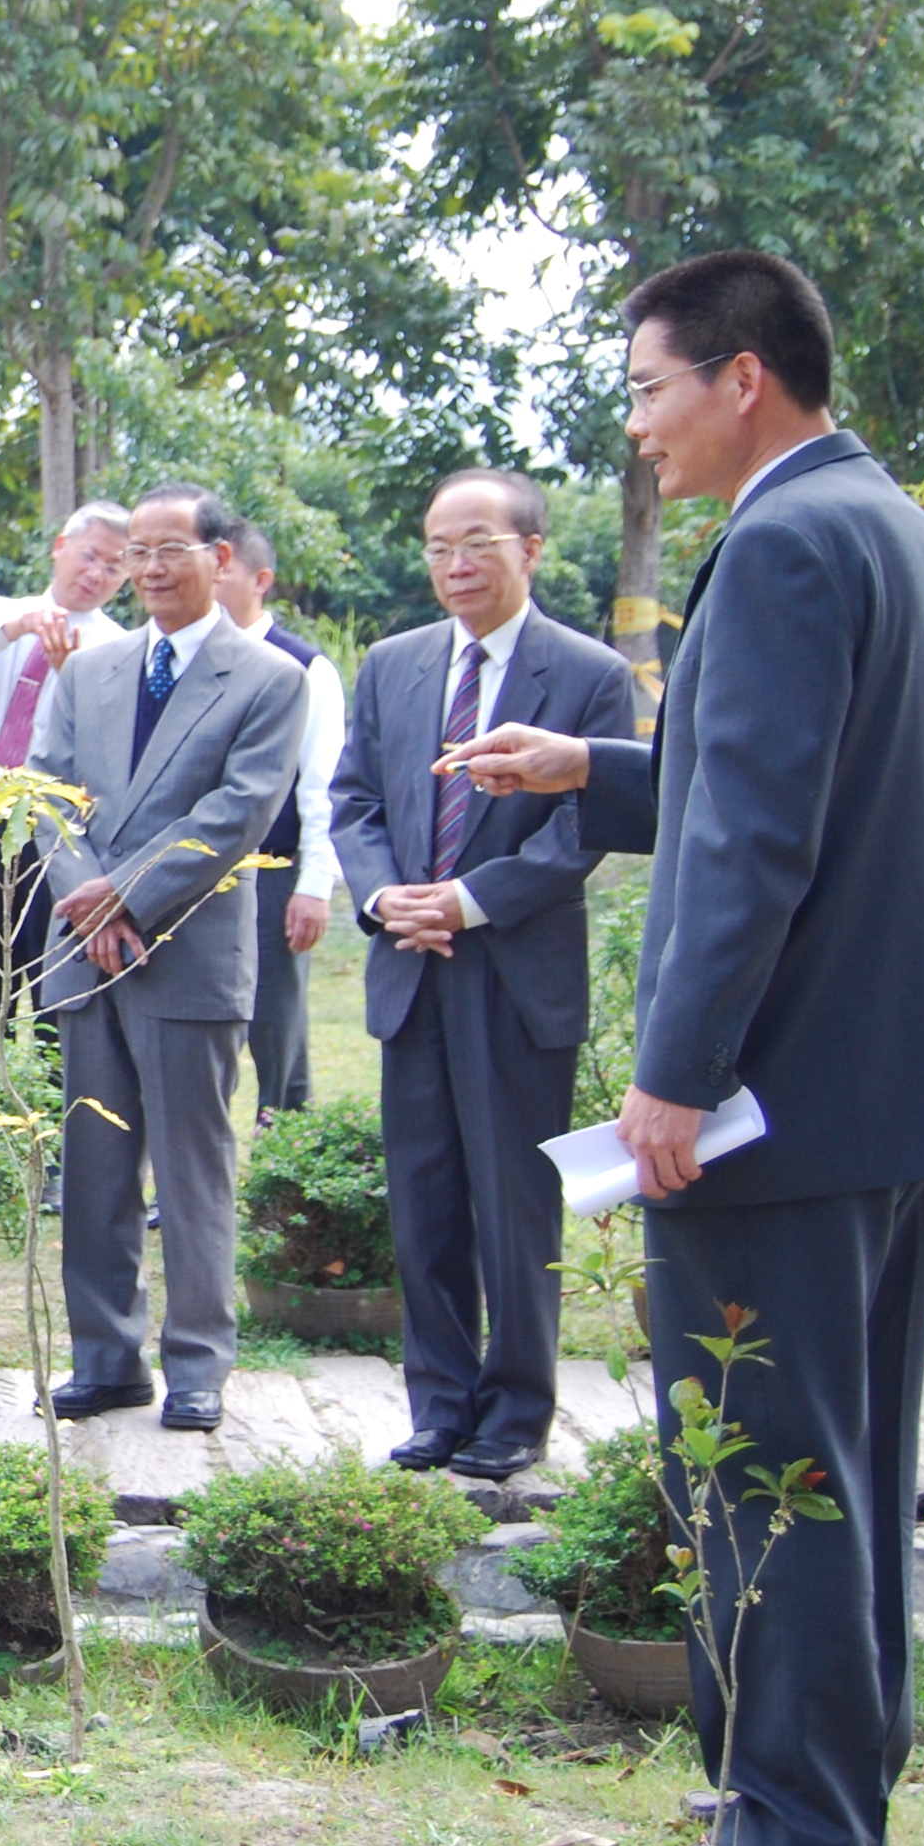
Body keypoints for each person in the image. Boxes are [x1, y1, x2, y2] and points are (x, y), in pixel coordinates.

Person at [447, 249, 924, 1846]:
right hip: (877, 1103)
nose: (636, 428)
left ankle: (793, 1831)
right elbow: (765, 773)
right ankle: (818, 1783)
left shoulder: (784, 541)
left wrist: (670, 1076)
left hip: (774, 1115)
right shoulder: (882, 521)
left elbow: (753, 840)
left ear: (742, 376)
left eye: (648, 390)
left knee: (757, 1463)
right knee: (848, 1457)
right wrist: (589, 766)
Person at [330, 469, 635, 1483]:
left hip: (511, 971)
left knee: (513, 1206)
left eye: (476, 545)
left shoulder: (588, 674)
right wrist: (384, 901)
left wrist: (465, 899)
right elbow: (355, 805)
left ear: (531, 550)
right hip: (408, 965)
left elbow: (580, 827)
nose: (453, 566)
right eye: (435, 547)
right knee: (422, 1204)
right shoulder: (392, 664)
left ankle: (514, 1414)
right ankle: (437, 1404)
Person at [25, 485, 305, 1434]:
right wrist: (87, 895)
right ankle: (106, 1360)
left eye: (170, 549)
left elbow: (238, 811)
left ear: (220, 558)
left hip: (186, 954)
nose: (148, 567)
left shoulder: (268, 679)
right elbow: (48, 798)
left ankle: (197, 1366)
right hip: (87, 948)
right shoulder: (91, 671)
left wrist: (126, 895)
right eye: (137, 551)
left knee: (193, 1173)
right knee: (95, 1169)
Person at [0, 503, 129, 1044]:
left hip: (56, 809)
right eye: (89, 557)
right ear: (60, 547)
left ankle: (51, 1102)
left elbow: (109, 744)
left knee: (51, 957)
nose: (96, 574)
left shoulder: (118, 644)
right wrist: (12, 630)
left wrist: (70, 674)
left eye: (113, 567)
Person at [213, 525, 344, 1116]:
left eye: (224, 569)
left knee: (276, 1026)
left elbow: (322, 784)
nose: (209, 582)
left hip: (272, 871)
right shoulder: (192, 661)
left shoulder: (303, 666)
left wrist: (314, 885)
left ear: (260, 581)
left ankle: (283, 1167)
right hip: (196, 872)